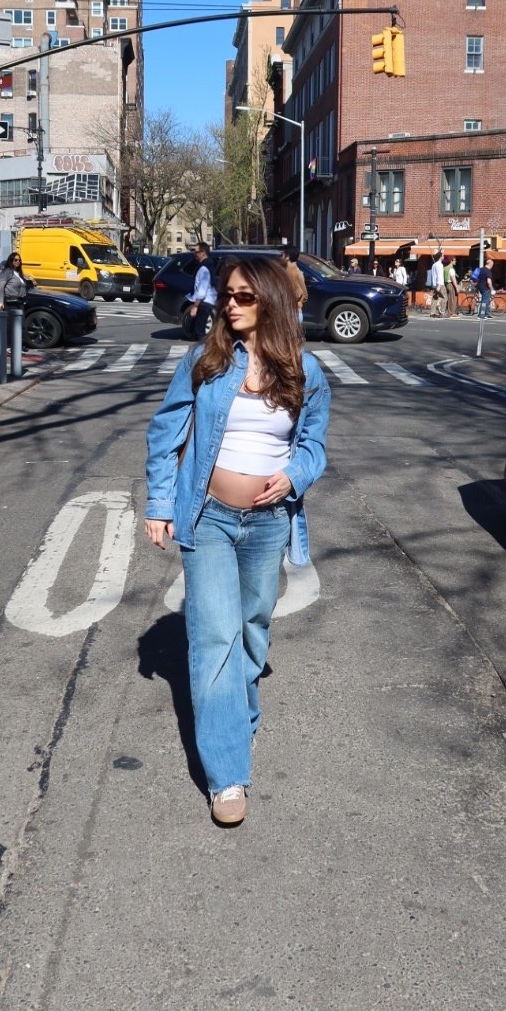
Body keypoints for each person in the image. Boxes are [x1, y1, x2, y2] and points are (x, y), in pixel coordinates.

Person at [144, 257, 331, 827]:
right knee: (214, 638)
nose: (230, 304)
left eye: (244, 296)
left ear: (270, 300)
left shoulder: (305, 371)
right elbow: (166, 430)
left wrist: (295, 475)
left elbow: (314, 445)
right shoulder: (206, 363)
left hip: (269, 523)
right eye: (227, 294)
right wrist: (159, 505)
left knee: (252, 626)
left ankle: (236, 709)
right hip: (209, 519)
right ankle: (227, 775)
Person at [0, 250, 28, 381]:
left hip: (19, 302)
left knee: (20, 326)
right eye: (15, 260)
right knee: (10, 327)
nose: (18, 262)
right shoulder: (7, 272)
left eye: (19, 260)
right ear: (10, 260)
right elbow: (1, 286)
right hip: (10, 302)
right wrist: (0, 301)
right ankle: (10, 346)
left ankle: (16, 347)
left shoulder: (18, 273)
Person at [187, 241, 218, 340]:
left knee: (200, 332)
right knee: (197, 330)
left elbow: (202, 290)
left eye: (196, 252)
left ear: (203, 253)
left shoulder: (204, 268)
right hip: (206, 302)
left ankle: (203, 348)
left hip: (205, 302)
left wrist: (195, 306)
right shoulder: (206, 265)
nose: (194, 254)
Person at [281, 247, 308, 323]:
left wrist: (299, 302)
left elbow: (305, 294)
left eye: (283, 255)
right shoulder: (294, 271)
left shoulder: (294, 272)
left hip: (291, 313)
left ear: (287, 257)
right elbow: (305, 294)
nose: (281, 257)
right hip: (292, 312)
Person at [428, 250, 446, 317]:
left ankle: (432, 312)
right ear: (440, 257)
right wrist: (439, 285)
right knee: (444, 298)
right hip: (440, 284)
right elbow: (439, 275)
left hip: (434, 284)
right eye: (443, 256)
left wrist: (435, 285)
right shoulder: (440, 265)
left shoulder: (434, 265)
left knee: (435, 298)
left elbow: (433, 275)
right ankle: (442, 312)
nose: (443, 257)